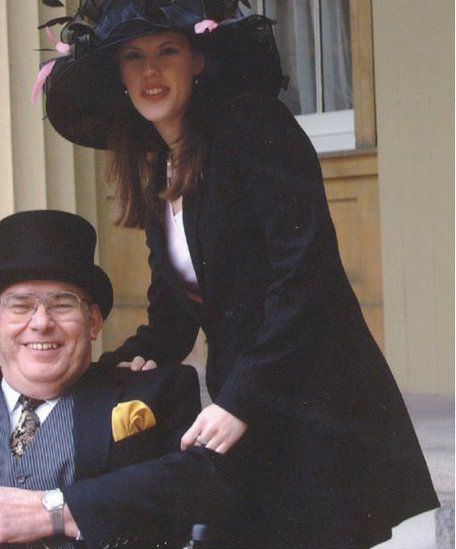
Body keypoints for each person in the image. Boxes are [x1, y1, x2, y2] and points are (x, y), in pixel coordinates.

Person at [39, 1, 438, 546]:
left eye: (167, 52)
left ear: (197, 60)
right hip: (247, 402)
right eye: (134, 57)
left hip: (312, 400)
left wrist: (243, 401)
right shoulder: (159, 163)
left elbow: (305, 278)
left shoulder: (254, 126)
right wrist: (130, 362)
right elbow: (172, 314)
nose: (150, 72)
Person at [0, 210, 224, 548]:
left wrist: (58, 509)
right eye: (20, 305)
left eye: (62, 304)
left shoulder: (156, 392)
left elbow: (201, 480)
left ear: (93, 321)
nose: (41, 323)